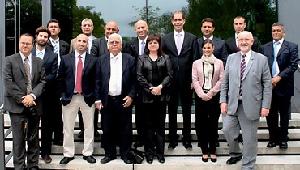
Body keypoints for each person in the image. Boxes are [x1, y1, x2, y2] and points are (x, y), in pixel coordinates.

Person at [220, 31, 272, 169]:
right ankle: (236, 152)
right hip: (232, 104)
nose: (243, 42)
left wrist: (266, 105)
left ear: (251, 42)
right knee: (227, 129)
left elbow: (267, 84)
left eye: (246, 40)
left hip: (251, 105)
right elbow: (225, 82)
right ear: (237, 42)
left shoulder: (261, 59)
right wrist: (223, 101)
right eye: (240, 39)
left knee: (249, 138)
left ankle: (248, 164)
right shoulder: (231, 58)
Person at [4, 33, 46, 170]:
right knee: (18, 140)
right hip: (17, 106)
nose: (25, 45)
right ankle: (19, 167)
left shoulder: (39, 61)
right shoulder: (9, 60)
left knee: (33, 138)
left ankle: (33, 165)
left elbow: (42, 82)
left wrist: (32, 96)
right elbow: (8, 83)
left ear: (32, 45)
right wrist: (24, 99)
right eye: (23, 43)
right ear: (19, 44)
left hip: (34, 105)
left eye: (28, 43)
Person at [95, 33, 136, 164]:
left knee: (125, 128)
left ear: (121, 45)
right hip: (107, 100)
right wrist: (97, 99)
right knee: (107, 128)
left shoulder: (129, 59)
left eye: (116, 42)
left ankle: (125, 154)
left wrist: (131, 96)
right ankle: (109, 154)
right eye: (111, 42)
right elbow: (97, 81)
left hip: (124, 99)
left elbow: (135, 80)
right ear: (108, 45)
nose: (114, 44)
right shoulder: (101, 59)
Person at [57, 34, 97, 164]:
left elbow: (97, 80)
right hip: (69, 98)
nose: (81, 43)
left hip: (87, 98)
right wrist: (62, 94)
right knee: (68, 127)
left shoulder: (93, 60)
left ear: (87, 44)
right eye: (79, 41)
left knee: (89, 127)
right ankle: (68, 154)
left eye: (84, 41)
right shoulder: (65, 59)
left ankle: (88, 153)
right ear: (74, 43)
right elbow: (60, 78)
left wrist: (95, 97)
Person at [162, 10, 199, 150]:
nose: (177, 22)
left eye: (180, 20)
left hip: (186, 80)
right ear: (172, 21)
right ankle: (172, 139)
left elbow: (195, 60)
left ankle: (187, 139)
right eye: (175, 20)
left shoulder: (192, 38)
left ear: (184, 21)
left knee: (187, 110)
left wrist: (193, 80)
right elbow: (163, 60)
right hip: (170, 81)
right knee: (171, 110)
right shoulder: (165, 38)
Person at [137, 35, 173, 164]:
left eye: (155, 42)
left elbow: (169, 75)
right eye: (150, 43)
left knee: (160, 126)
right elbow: (139, 76)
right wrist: (151, 88)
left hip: (161, 97)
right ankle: (149, 153)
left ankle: (160, 153)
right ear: (147, 45)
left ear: (159, 45)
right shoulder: (142, 58)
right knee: (148, 126)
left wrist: (160, 87)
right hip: (147, 97)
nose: (153, 44)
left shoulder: (166, 58)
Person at [262, 23, 299, 149]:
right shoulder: (265, 47)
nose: (275, 32)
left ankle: (283, 139)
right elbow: (262, 66)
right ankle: (273, 138)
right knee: (270, 114)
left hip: (284, 85)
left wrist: (279, 77)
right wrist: (269, 80)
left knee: (284, 114)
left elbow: (293, 65)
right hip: (269, 86)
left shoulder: (292, 46)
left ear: (283, 32)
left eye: (278, 30)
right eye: (273, 31)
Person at [192, 39, 224, 163]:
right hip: (200, 97)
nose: (207, 50)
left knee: (213, 124)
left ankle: (213, 149)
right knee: (201, 124)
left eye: (209, 47)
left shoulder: (219, 63)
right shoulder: (196, 63)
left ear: (213, 48)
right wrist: (201, 94)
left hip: (214, 96)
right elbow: (194, 80)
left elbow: (222, 79)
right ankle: (204, 150)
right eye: (205, 48)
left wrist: (211, 92)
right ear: (202, 49)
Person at [32, 26, 58, 164]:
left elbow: (53, 75)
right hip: (31, 96)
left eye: (45, 37)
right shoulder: (29, 52)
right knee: (33, 125)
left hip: (47, 96)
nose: (43, 38)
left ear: (48, 40)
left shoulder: (53, 55)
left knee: (47, 126)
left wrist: (40, 83)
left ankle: (45, 153)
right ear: (36, 37)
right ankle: (33, 152)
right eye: (41, 36)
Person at [70, 18, 99, 139]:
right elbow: (71, 57)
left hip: (92, 78)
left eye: (89, 25)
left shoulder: (98, 41)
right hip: (78, 78)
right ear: (81, 27)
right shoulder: (73, 41)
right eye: (85, 25)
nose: (87, 27)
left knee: (93, 106)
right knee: (80, 107)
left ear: (92, 27)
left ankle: (95, 129)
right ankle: (82, 130)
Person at [124, 19, 149, 148]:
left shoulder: (153, 42)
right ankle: (140, 137)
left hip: (150, 83)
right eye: (138, 28)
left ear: (147, 28)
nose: (140, 30)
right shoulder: (130, 44)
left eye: (143, 27)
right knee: (138, 113)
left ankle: (150, 137)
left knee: (149, 113)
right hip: (135, 83)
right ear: (135, 30)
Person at [46, 18, 70, 145]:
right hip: (48, 81)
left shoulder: (65, 44)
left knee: (59, 111)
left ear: (59, 29)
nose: (53, 28)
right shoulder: (44, 43)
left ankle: (59, 137)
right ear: (48, 29)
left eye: (56, 26)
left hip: (61, 81)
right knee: (48, 111)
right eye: (51, 27)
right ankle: (48, 138)